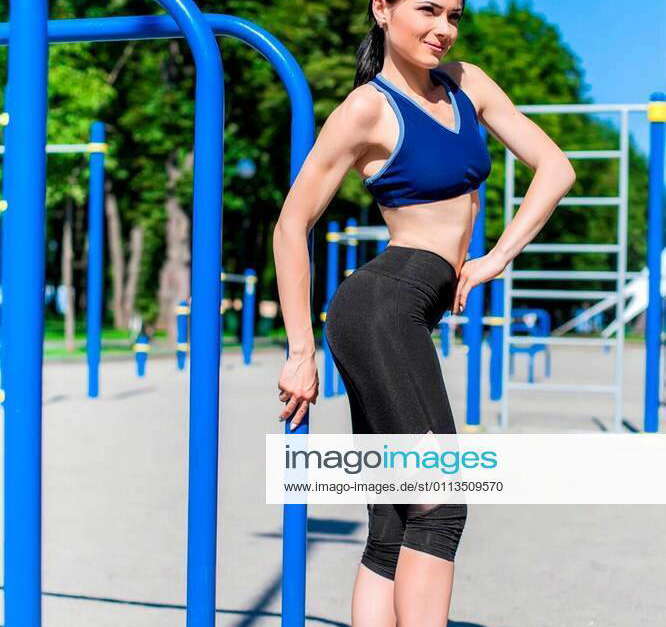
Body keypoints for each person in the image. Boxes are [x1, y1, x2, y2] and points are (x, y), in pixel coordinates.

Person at [273, 1, 576, 625]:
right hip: (381, 306)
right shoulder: (367, 109)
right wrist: (300, 352)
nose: (444, 28)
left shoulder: (468, 83)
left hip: (402, 311)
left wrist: (496, 257)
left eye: (455, 15)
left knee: (393, 522)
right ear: (382, 9)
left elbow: (556, 167)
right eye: (428, 10)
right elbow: (290, 225)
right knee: (441, 503)